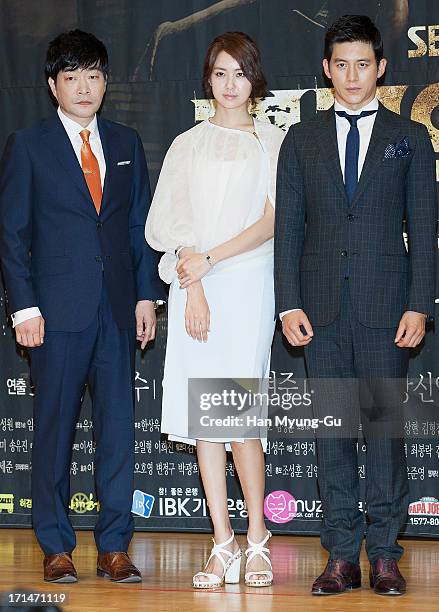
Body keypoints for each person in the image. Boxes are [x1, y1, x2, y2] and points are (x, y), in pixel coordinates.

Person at [274, 14, 436, 597]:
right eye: (340, 64)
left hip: (386, 310)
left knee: (386, 435)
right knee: (333, 435)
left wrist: (420, 303)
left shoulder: (409, 137)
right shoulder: (302, 137)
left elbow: (424, 225)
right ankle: (341, 554)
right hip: (319, 313)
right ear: (325, 69)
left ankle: (385, 555)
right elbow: (289, 228)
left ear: (381, 68)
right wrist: (287, 302)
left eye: (362, 64)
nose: (351, 74)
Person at [0, 30, 164, 583]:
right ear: (52, 85)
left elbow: (140, 225)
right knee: (54, 433)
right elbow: (12, 232)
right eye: (72, 76)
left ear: (106, 81)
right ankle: (56, 546)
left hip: (117, 312)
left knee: (118, 432)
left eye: (93, 74)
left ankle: (116, 546)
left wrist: (146, 294)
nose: (84, 86)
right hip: (55, 315)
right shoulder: (29, 144)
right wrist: (24, 308)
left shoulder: (125, 142)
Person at [146, 31, 284, 589]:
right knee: (207, 423)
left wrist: (212, 261)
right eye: (220, 73)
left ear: (255, 80)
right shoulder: (187, 144)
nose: (230, 85)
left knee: (240, 418)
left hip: (247, 284)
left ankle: (258, 540)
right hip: (192, 287)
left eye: (240, 74)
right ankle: (222, 543)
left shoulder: (274, 141)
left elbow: (272, 221)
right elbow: (169, 224)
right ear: (208, 78)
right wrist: (195, 279)